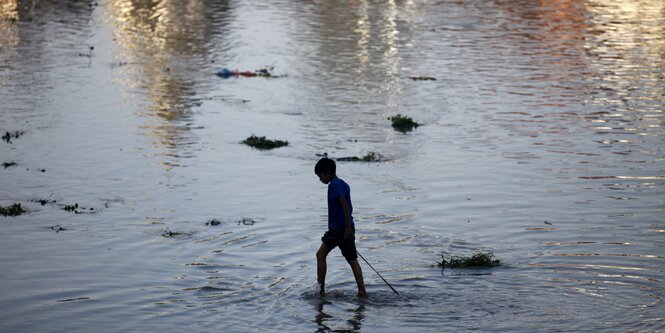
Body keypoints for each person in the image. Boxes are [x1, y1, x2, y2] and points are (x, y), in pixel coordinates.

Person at [314, 158, 367, 298]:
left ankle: (320, 291)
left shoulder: (333, 185)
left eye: (320, 176)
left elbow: (344, 204)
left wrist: (346, 228)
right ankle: (362, 291)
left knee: (320, 255)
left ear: (328, 172)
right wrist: (349, 227)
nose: (320, 180)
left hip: (338, 228)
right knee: (352, 259)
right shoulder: (344, 184)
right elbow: (349, 207)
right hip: (347, 227)